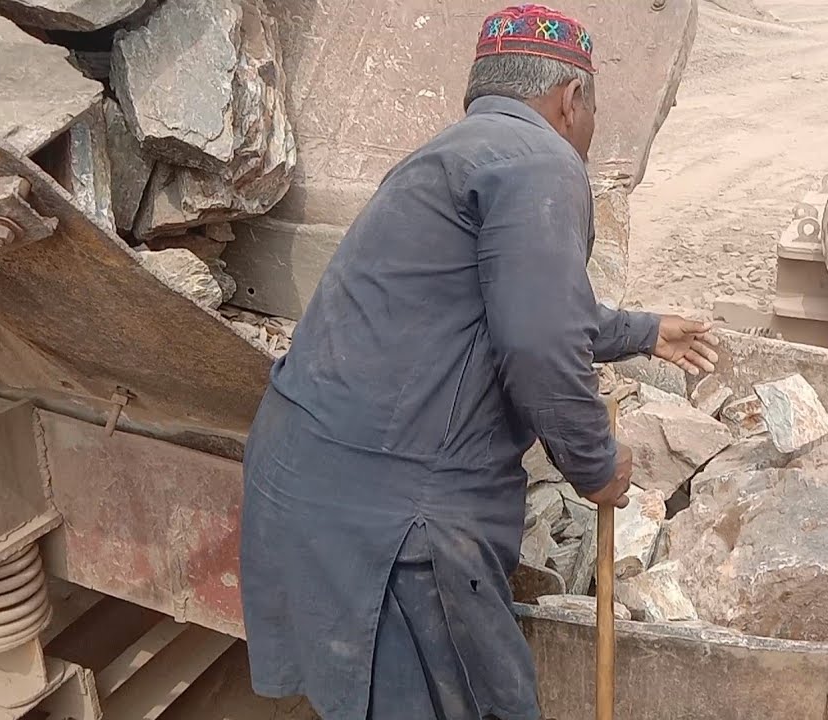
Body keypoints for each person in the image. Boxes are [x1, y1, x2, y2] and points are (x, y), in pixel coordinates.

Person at [238, 4, 719, 720]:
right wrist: (595, 463)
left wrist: (644, 332)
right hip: (395, 518)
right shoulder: (543, 161)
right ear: (571, 98)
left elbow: (517, 305)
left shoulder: (451, 155)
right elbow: (536, 341)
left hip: (302, 477)